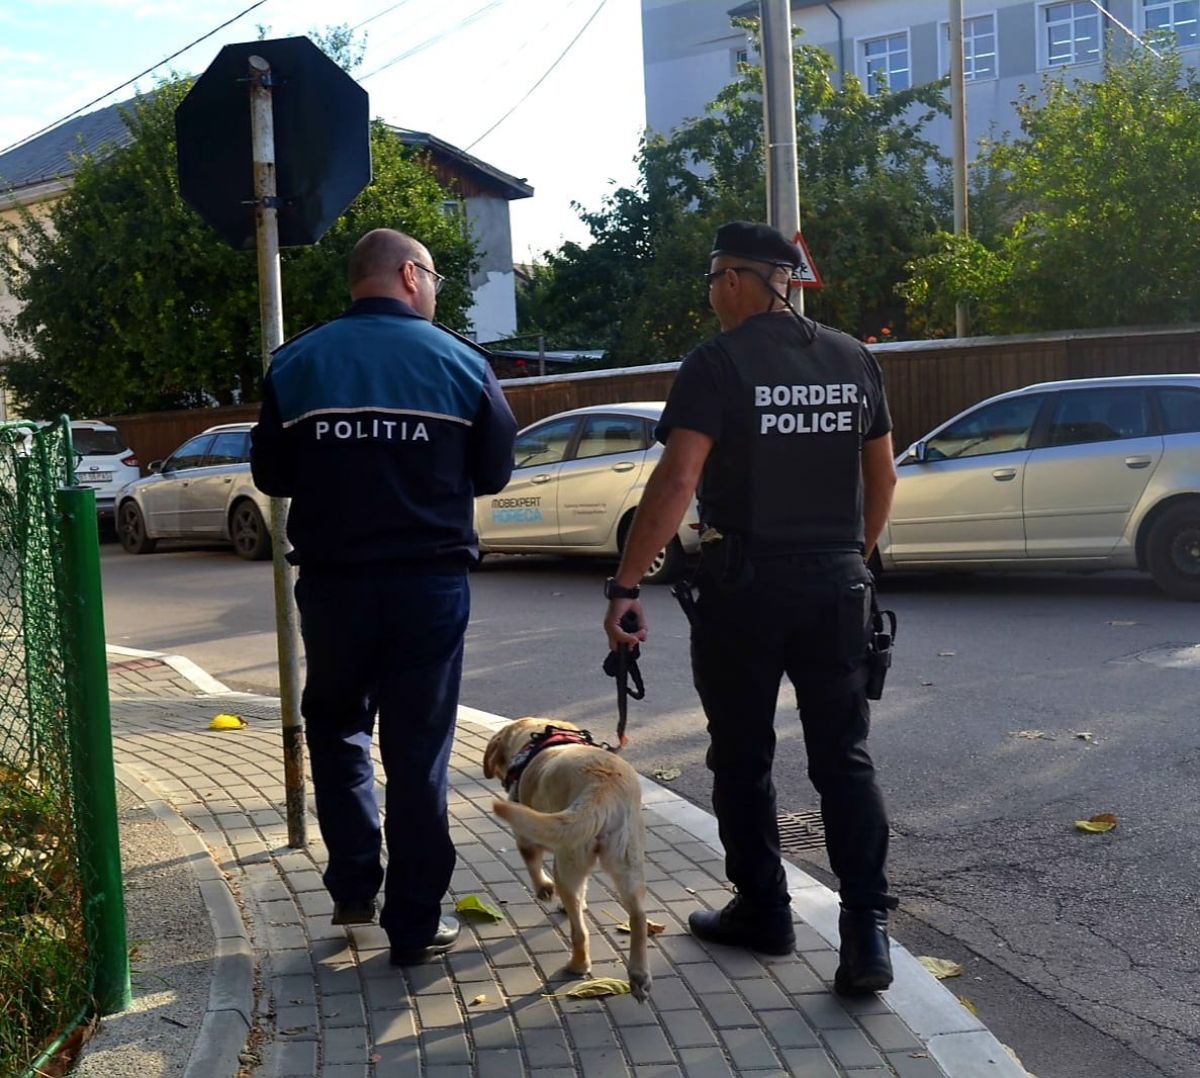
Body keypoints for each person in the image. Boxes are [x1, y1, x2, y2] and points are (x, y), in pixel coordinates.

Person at [602, 221, 899, 994]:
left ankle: (765, 912)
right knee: (845, 758)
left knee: (742, 755)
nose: (711, 295)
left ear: (735, 278)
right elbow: (884, 479)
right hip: (838, 588)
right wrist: (850, 559)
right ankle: (866, 934)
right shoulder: (853, 357)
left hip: (745, 590)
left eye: (711, 280)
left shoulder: (717, 363)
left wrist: (627, 585)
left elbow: (677, 482)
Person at [251, 228, 517, 965]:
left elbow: (272, 475)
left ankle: (352, 888)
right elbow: (495, 470)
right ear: (408, 275)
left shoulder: (297, 362)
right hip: (428, 587)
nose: (434, 290)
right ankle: (414, 923)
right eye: (433, 277)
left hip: (334, 587)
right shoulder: (462, 362)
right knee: (418, 750)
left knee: (338, 730)